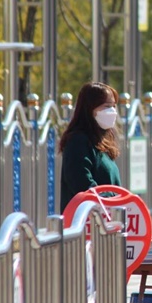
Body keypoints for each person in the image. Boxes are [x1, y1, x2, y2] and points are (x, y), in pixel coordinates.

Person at [59, 82, 121, 212]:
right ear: (89, 108)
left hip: (106, 221)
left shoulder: (102, 141)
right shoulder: (78, 141)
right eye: (106, 106)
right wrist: (108, 200)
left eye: (114, 106)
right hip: (86, 222)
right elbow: (81, 182)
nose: (112, 111)